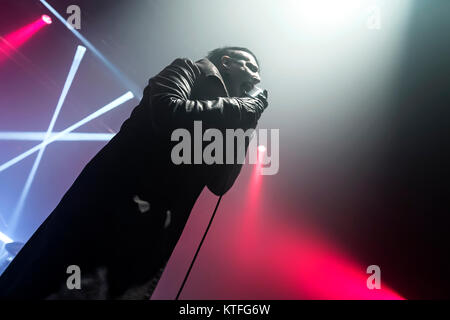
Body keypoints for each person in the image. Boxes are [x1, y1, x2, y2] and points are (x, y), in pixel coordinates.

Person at [0, 46, 268, 299]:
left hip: (153, 232)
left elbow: (221, 183)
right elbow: (167, 110)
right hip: (111, 205)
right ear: (227, 63)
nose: (257, 78)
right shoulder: (189, 70)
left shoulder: (230, 117)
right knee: (53, 280)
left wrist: (247, 123)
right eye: (251, 68)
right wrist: (239, 108)